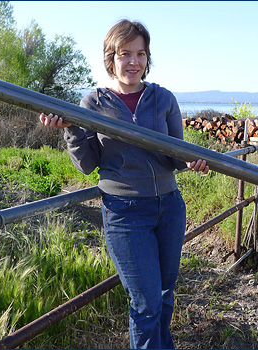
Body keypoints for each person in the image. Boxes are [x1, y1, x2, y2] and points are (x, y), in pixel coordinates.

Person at [39, 19, 209, 349]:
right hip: (125, 215)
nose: (134, 62)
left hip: (170, 207)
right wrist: (70, 128)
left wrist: (193, 162)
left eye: (141, 54)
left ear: (148, 58)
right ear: (111, 58)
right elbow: (87, 165)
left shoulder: (164, 98)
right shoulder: (94, 104)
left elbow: (177, 155)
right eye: (125, 53)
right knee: (146, 303)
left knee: (164, 295)